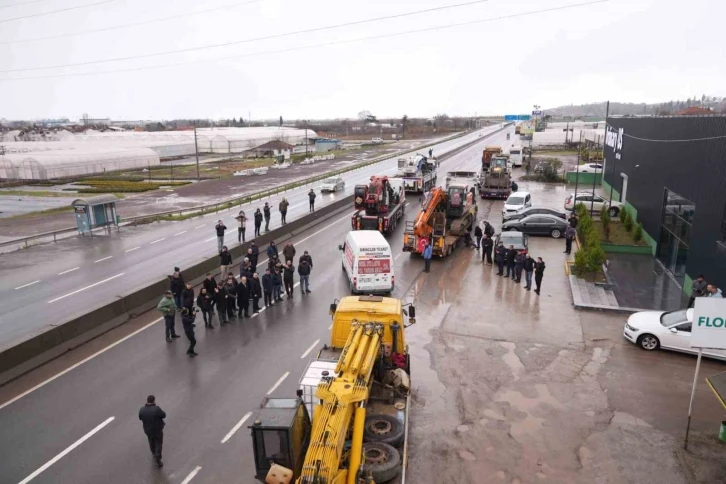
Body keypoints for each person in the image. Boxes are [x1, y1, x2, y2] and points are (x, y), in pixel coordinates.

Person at [139, 395, 166, 468]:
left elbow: (140, 417)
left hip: (147, 430)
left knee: (151, 441)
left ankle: (153, 453)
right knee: (158, 443)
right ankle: (158, 457)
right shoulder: (156, 409)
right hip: (157, 429)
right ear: (154, 401)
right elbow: (163, 415)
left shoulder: (142, 410)